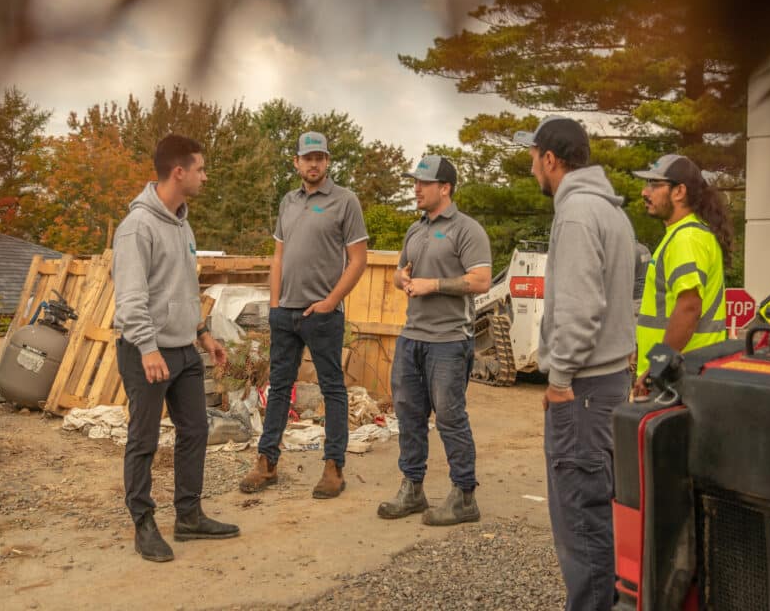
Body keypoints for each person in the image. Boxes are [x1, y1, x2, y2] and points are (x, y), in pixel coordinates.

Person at [513, 116, 636, 611]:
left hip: (582, 389)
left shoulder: (578, 213)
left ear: (550, 158)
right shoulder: (607, 210)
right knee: (597, 509)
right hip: (606, 383)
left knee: (580, 515)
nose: (530, 167)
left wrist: (559, 379)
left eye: (532, 156)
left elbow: (581, 310)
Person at [113, 134, 240, 563]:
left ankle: (188, 516)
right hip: (146, 353)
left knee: (196, 430)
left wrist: (203, 333)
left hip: (184, 351)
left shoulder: (183, 223)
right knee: (144, 439)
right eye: (201, 169)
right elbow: (130, 299)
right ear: (179, 172)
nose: (205, 176)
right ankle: (143, 523)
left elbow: (184, 288)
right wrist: (147, 348)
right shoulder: (137, 227)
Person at [239, 131, 368, 499]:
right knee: (279, 388)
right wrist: (275, 303)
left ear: (327, 162)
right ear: (296, 162)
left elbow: (359, 261)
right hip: (285, 314)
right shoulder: (288, 202)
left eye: (320, 157)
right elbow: (278, 256)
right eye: (307, 158)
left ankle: (333, 467)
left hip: (323, 315)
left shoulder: (346, 202)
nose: (313, 163)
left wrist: (330, 302)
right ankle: (267, 463)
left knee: (332, 389)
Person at [376, 155, 492, 526]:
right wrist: (402, 280)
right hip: (412, 338)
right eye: (415, 181)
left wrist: (435, 285)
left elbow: (481, 280)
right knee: (409, 416)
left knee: (450, 417)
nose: (416, 188)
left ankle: (464, 496)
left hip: (449, 340)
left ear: (445, 188)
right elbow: (400, 272)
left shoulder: (467, 230)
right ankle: (413, 488)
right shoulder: (416, 229)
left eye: (424, 182)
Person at [633, 154, 730, 394]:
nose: (645, 192)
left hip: (678, 376)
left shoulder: (686, 238)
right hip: (686, 372)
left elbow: (688, 308)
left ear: (679, 192)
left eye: (655, 185)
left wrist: (656, 367)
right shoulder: (687, 234)